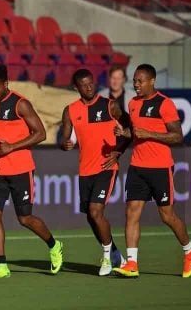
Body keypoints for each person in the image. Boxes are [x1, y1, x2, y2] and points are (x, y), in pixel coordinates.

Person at [0, 63, 63, 278]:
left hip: (21, 170)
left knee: (24, 218)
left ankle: (54, 244)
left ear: (6, 84)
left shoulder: (20, 104)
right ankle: (1, 265)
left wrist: (12, 147)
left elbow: (40, 133)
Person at [113, 64, 191, 278]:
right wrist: (125, 132)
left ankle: (190, 252)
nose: (136, 85)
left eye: (140, 81)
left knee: (167, 216)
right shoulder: (132, 104)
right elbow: (136, 134)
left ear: (152, 81)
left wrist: (149, 134)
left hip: (160, 168)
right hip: (137, 167)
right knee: (131, 213)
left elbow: (177, 136)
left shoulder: (164, 103)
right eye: (134, 81)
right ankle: (131, 263)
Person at [59, 69, 130, 276]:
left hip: (106, 167)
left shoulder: (110, 106)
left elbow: (130, 129)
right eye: (84, 84)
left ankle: (107, 259)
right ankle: (116, 254)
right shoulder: (70, 110)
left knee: (96, 211)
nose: (89, 87)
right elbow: (64, 140)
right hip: (85, 170)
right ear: (76, 88)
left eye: (91, 83)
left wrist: (118, 151)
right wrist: (65, 144)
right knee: (91, 217)